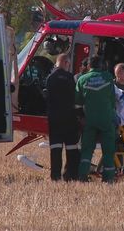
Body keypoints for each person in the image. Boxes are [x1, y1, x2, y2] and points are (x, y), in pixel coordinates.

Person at [76, 56, 117, 182]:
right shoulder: (108, 77)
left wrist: (81, 118)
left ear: (89, 66)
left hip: (89, 120)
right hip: (106, 119)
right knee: (108, 151)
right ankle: (108, 179)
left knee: (87, 150)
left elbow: (77, 103)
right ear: (101, 65)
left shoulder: (82, 79)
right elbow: (112, 99)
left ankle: (82, 177)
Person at [45, 53, 79, 181]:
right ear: (66, 63)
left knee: (55, 148)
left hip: (54, 118)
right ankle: (70, 175)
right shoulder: (71, 77)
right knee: (71, 148)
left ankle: (55, 176)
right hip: (69, 118)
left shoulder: (50, 78)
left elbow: (47, 97)